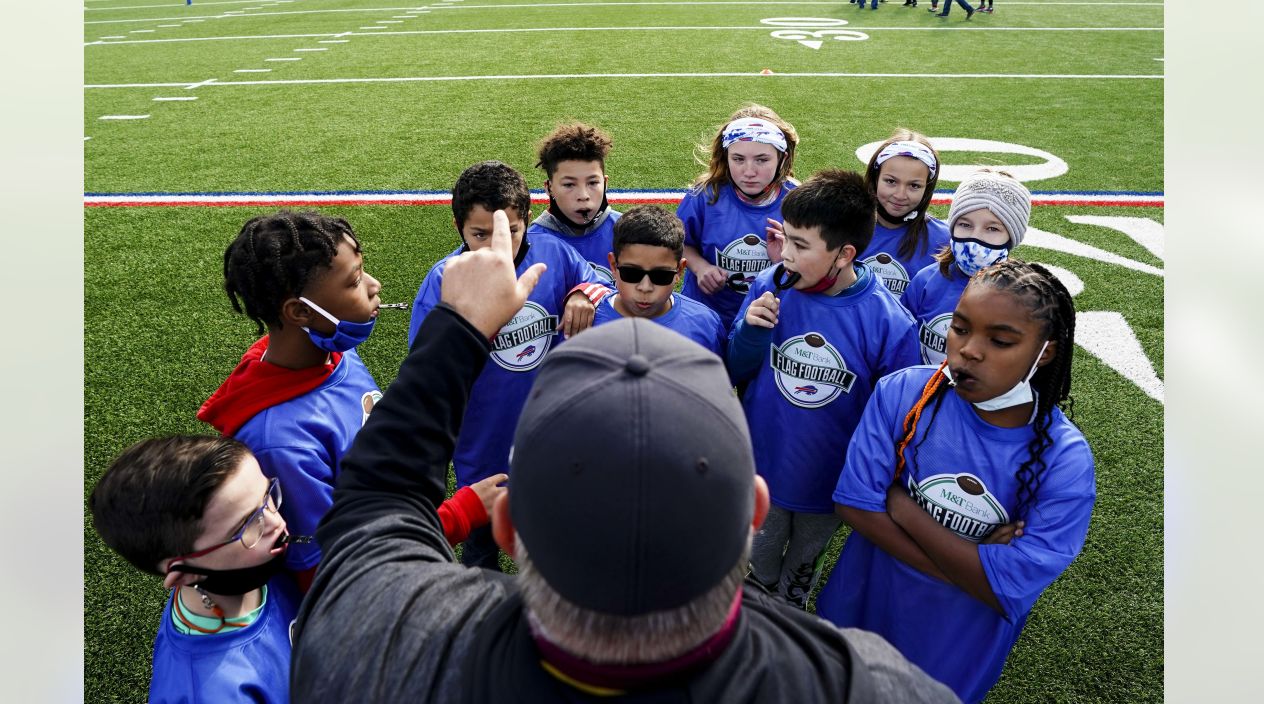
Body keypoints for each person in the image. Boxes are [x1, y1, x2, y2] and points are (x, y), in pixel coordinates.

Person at [289, 208, 961, 703]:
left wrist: (460, 325)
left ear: (508, 526)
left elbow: (375, 500)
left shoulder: (387, 639)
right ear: (752, 512)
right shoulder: (866, 686)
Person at [816, 260, 1095, 703]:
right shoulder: (902, 392)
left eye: (1000, 340)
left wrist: (901, 506)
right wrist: (973, 564)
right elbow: (853, 506)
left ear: (1045, 353)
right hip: (859, 612)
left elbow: (1007, 591)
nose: (969, 350)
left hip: (952, 650)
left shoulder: (1064, 460)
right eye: (960, 329)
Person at [199, 210, 504, 592]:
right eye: (355, 280)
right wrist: (460, 514)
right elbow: (337, 567)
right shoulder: (281, 442)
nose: (374, 285)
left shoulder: (330, 354)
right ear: (300, 312)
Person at [725, 170, 920, 609]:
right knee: (761, 560)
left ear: (844, 254)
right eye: (786, 238)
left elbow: (898, 419)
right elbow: (734, 370)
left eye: (800, 245)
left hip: (829, 483)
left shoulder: (888, 321)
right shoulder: (769, 286)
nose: (786, 255)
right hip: (763, 467)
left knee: (802, 567)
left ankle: (793, 608)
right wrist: (752, 332)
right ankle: (761, 604)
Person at [408, 161, 610, 570]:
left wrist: (582, 294)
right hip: (482, 445)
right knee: (481, 552)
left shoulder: (554, 254)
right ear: (457, 227)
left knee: (550, 548)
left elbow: (595, 280)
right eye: (479, 235)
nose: (496, 247)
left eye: (510, 232)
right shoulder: (444, 280)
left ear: (527, 220)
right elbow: (426, 372)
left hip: (549, 438)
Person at [89, 436, 301, 704]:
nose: (276, 522)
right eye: (246, 526)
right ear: (186, 573)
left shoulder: (255, 564)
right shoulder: (213, 693)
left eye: (267, 495)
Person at [679, 104, 800, 331]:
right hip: (706, 315)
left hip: (769, 319)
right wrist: (700, 267)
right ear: (726, 157)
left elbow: (815, 267)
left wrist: (786, 260)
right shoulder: (704, 196)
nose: (749, 171)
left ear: (782, 158)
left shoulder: (799, 202)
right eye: (738, 159)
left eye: (762, 160)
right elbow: (678, 244)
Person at [902, 169, 1032, 366]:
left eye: (992, 229)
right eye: (965, 225)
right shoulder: (925, 281)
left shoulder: (1026, 298)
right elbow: (901, 345)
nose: (975, 237)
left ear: (1013, 236)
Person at [593, 204, 726, 356]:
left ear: (680, 270)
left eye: (660, 276)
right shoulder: (585, 321)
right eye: (631, 273)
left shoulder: (704, 324)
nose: (645, 287)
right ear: (613, 266)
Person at [529, 122, 621, 283]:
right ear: (549, 188)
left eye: (592, 183)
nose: (583, 195)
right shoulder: (532, 242)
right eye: (569, 185)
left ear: (605, 183)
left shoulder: (627, 231)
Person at [861, 129, 949, 297]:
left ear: (927, 188)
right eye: (891, 181)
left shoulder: (943, 241)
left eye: (914, 186)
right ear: (875, 179)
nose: (900, 195)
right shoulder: (844, 226)